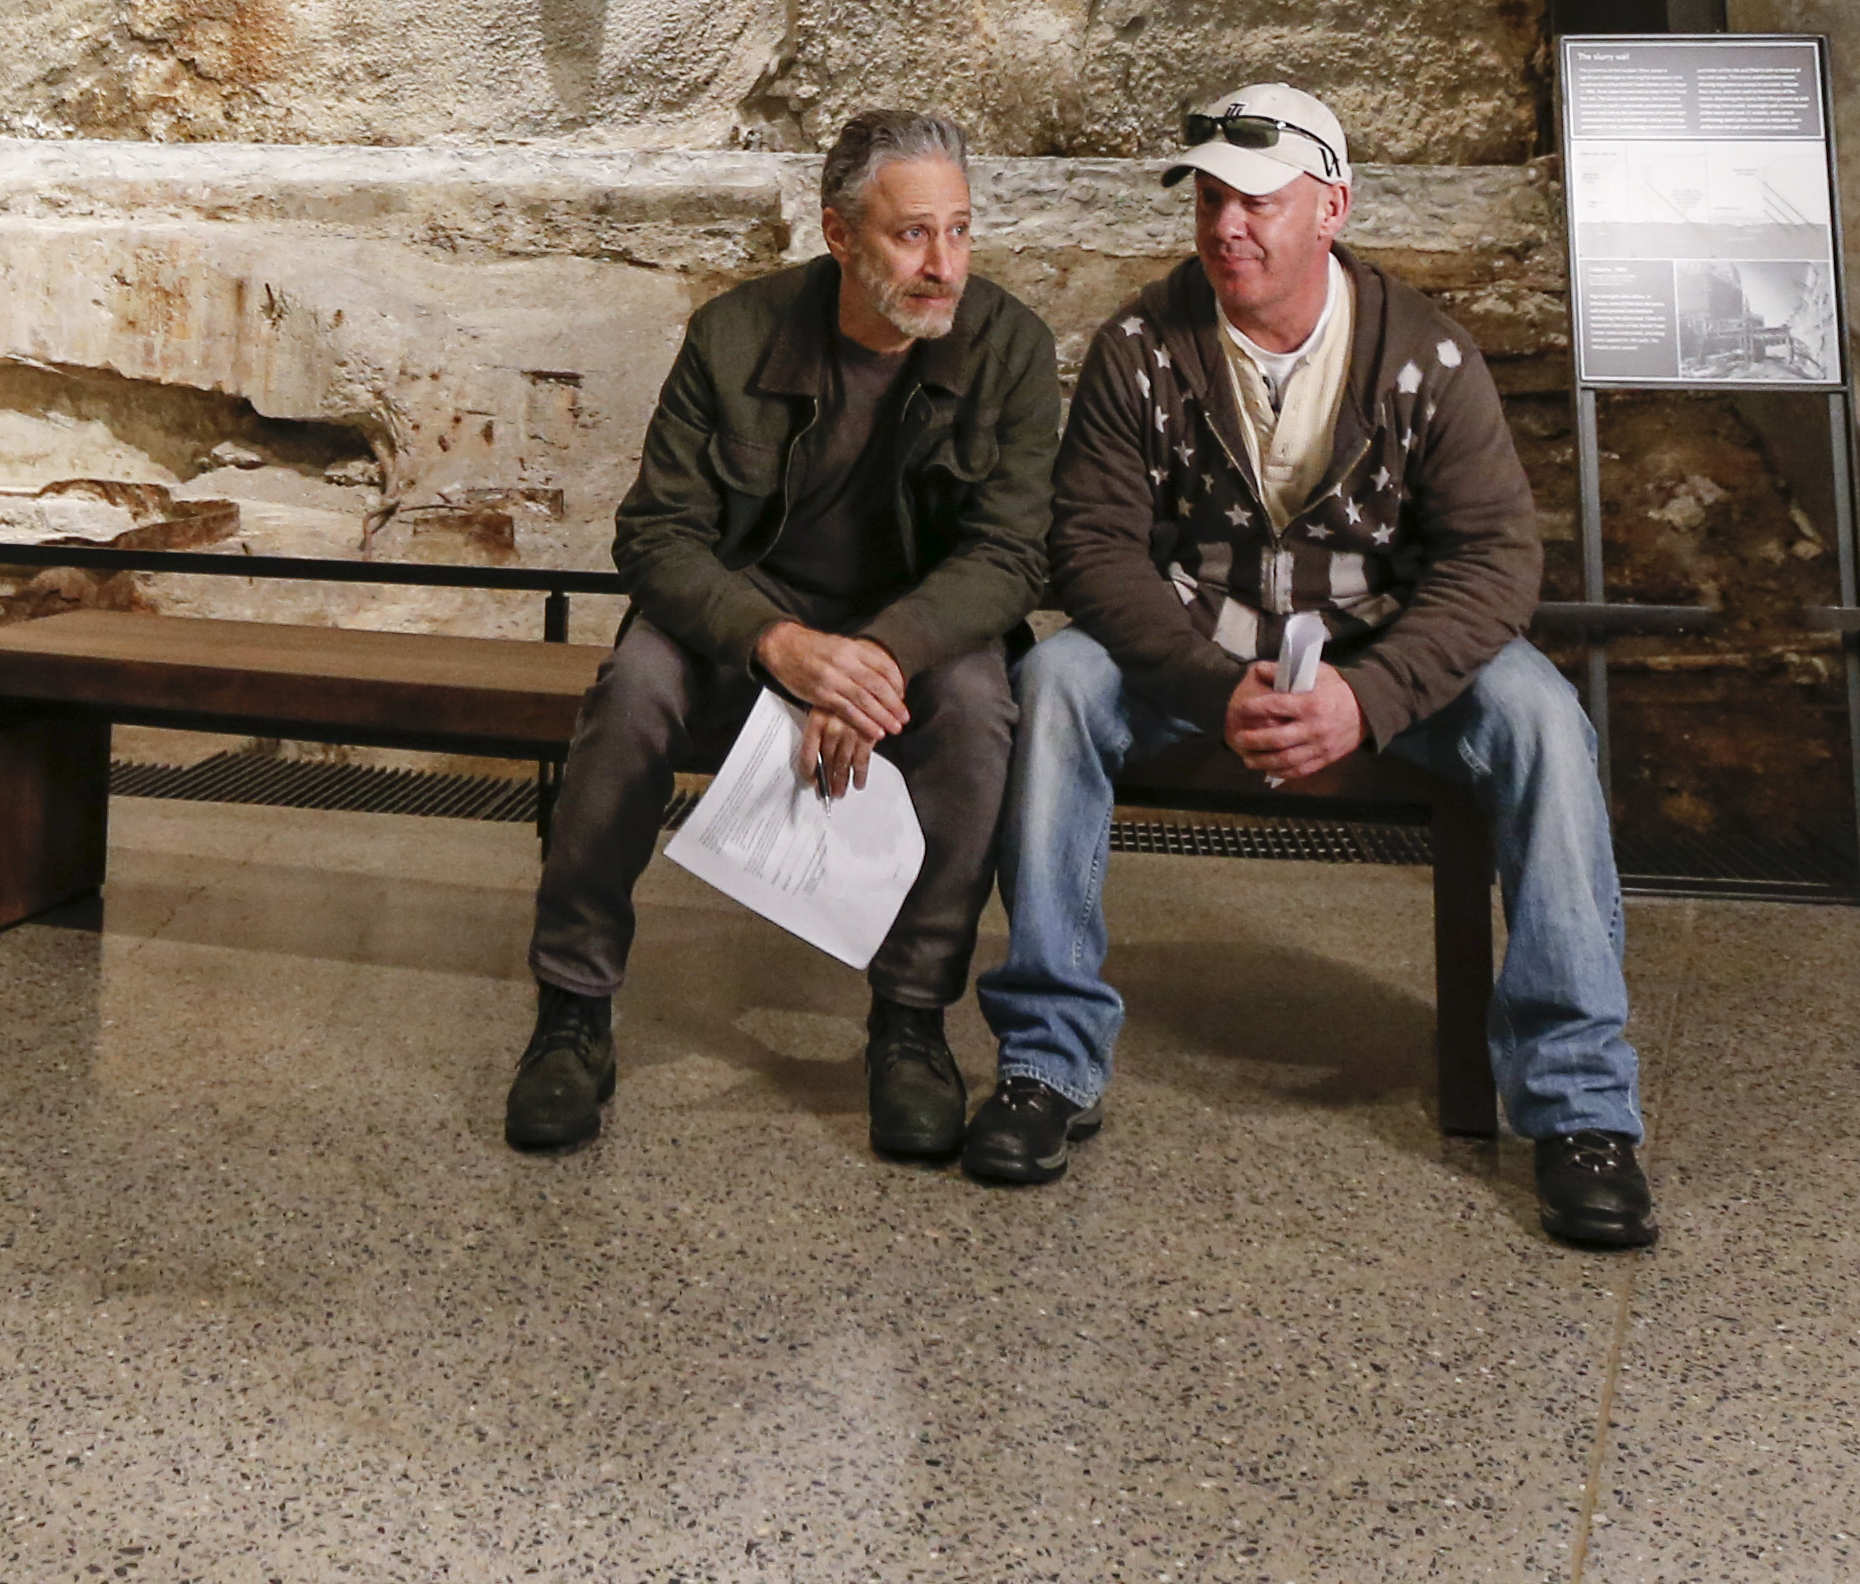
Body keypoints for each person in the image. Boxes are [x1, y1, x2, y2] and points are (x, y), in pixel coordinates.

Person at [968, 79, 1658, 1248]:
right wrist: (1199, 683)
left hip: (1378, 655)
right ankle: (1047, 1061)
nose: (1225, 225)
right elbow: (1091, 546)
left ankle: (1581, 1109)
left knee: (1541, 716)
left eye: (1255, 201)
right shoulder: (1143, 348)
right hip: (1200, 653)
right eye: (1207, 201)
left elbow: (1496, 561)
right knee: (1056, 685)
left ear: (1330, 207)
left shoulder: (1425, 355)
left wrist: (1372, 696)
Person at [505, 108, 1060, 1163]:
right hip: (748, 627)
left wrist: (881, 655)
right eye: (911, 235)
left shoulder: (1011, 348)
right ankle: (572, 1011)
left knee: (982, 705)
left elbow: (1010, 554)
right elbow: (657, 535)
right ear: (839, 234)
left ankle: (909, 1020)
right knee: (631, 691)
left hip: (911, 638)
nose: (943, 265)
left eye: (959, 231)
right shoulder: (733, 333)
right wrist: (782, 645)